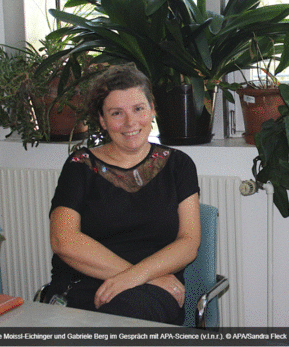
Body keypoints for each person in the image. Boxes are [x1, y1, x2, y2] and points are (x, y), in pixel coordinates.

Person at [46, 65, 201, 324]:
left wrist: (138, 278)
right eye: (117, 113)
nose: (130, 123)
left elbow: (188, 242)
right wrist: (135, 275)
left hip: (153, 294)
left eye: (138, 109)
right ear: (102, 120)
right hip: (86, 284)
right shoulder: (80, 165)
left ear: (152, 109)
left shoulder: (179, 165)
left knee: (129, 318)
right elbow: (64, 240)